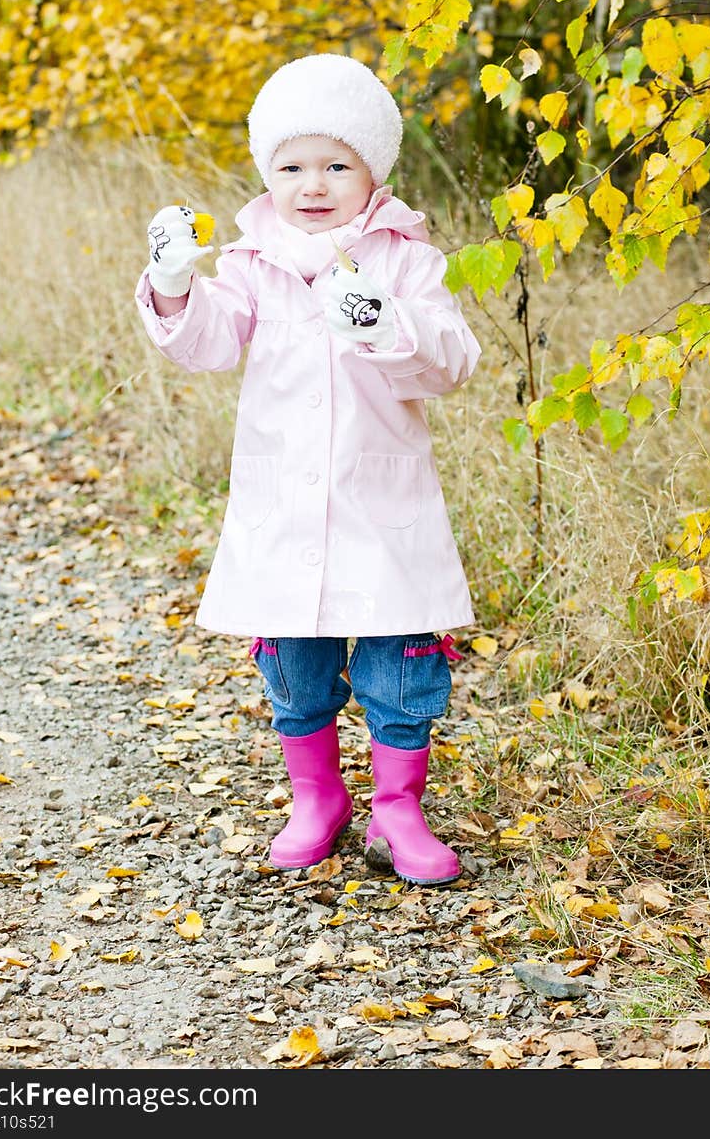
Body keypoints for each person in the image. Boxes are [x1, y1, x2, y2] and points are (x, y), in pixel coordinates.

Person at [135, 53, 481, 886]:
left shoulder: (404, 258)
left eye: (337, 164)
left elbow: (453, 359)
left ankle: (398, 809)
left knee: (401, 656)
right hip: (282, 495)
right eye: (292, 166)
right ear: (267, 172)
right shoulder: (254, 260)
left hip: (380, 495)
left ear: (373, 172)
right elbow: (212, 342)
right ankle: (316, 796)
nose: (313, 183)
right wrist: (176, 287)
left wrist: (384, 323)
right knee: (296, 658)